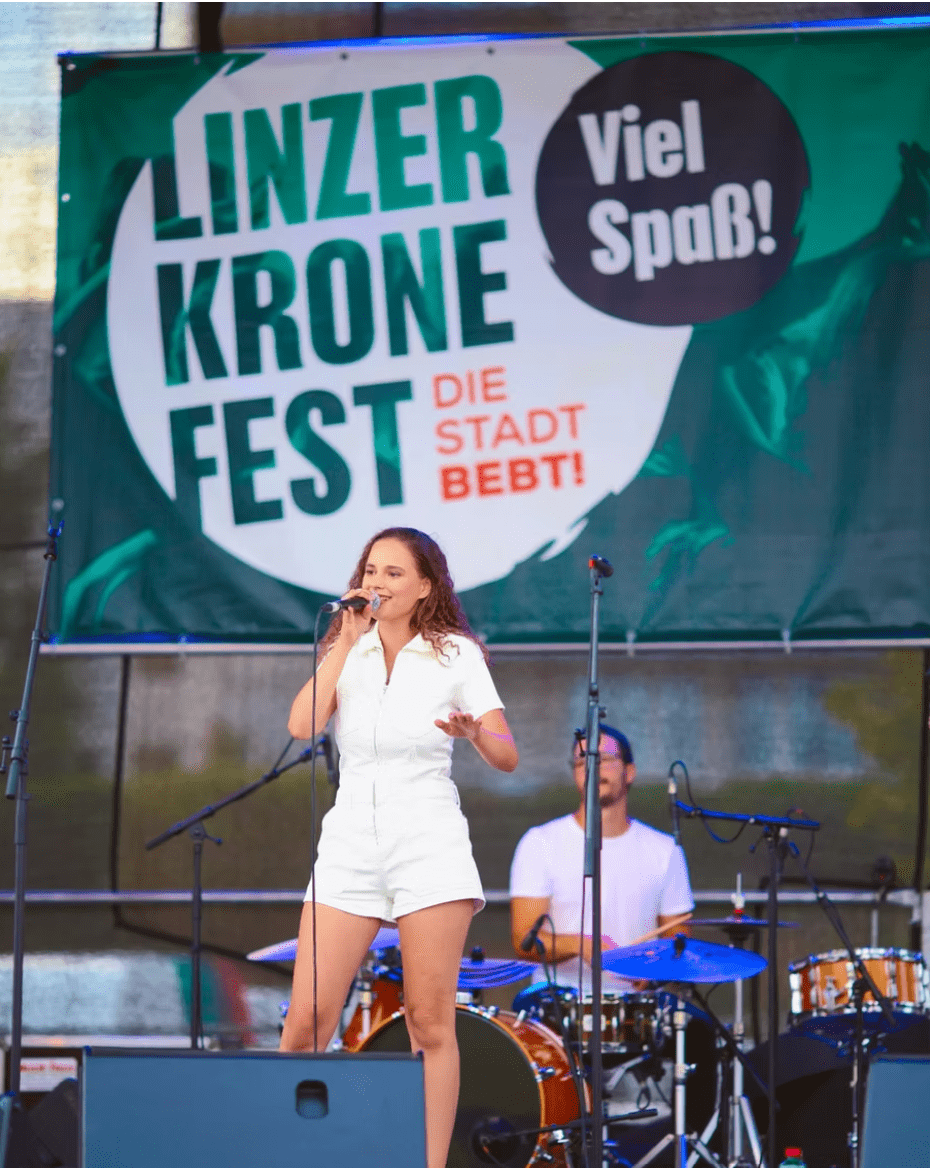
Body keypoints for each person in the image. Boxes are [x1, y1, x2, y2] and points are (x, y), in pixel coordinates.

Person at [280, 527, 518, 1168]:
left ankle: (430, 1163)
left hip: (428, 841)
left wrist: (473, 733)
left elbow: (507, 755)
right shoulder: (345, 647)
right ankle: (288, 1151)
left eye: (392, 573)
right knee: (304, 1020)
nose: (377, 583)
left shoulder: (456, 655)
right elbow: (303, 725)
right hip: (350, 841)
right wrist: (344, 644)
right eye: (370, 570)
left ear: (425, 587)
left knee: (429, 1020)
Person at [509, 724, 693, 988]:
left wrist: (656, 967)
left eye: (603, 760)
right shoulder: (540, 843)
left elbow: (679, 938)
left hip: (638, 1010)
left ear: (629, 772)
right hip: (558, 1011)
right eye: (583, 761)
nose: (592, 769)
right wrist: (581, 945)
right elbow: (523, 941)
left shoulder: (665, 851)